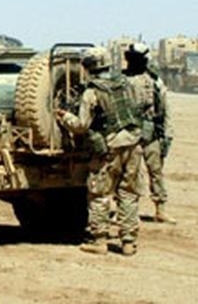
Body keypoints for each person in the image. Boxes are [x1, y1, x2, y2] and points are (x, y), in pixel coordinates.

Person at [57, 47, 143, 256]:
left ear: (88, 68)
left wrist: (64, 116)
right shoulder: (126, 84)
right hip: (133, 143)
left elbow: (81, 126)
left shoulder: (92, 92)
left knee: (100, 194)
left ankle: (99, 240)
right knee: (128, 193)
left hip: (109, 148)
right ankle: (128, 241)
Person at [124, 42, 176, 224]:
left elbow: (165, 109)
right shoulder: (122, 81)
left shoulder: (155, 81)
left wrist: (167, 135)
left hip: (150, 133)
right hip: (130, 134)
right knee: (131, 174)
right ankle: (130, 213)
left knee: (156, 171)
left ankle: (160, 209)